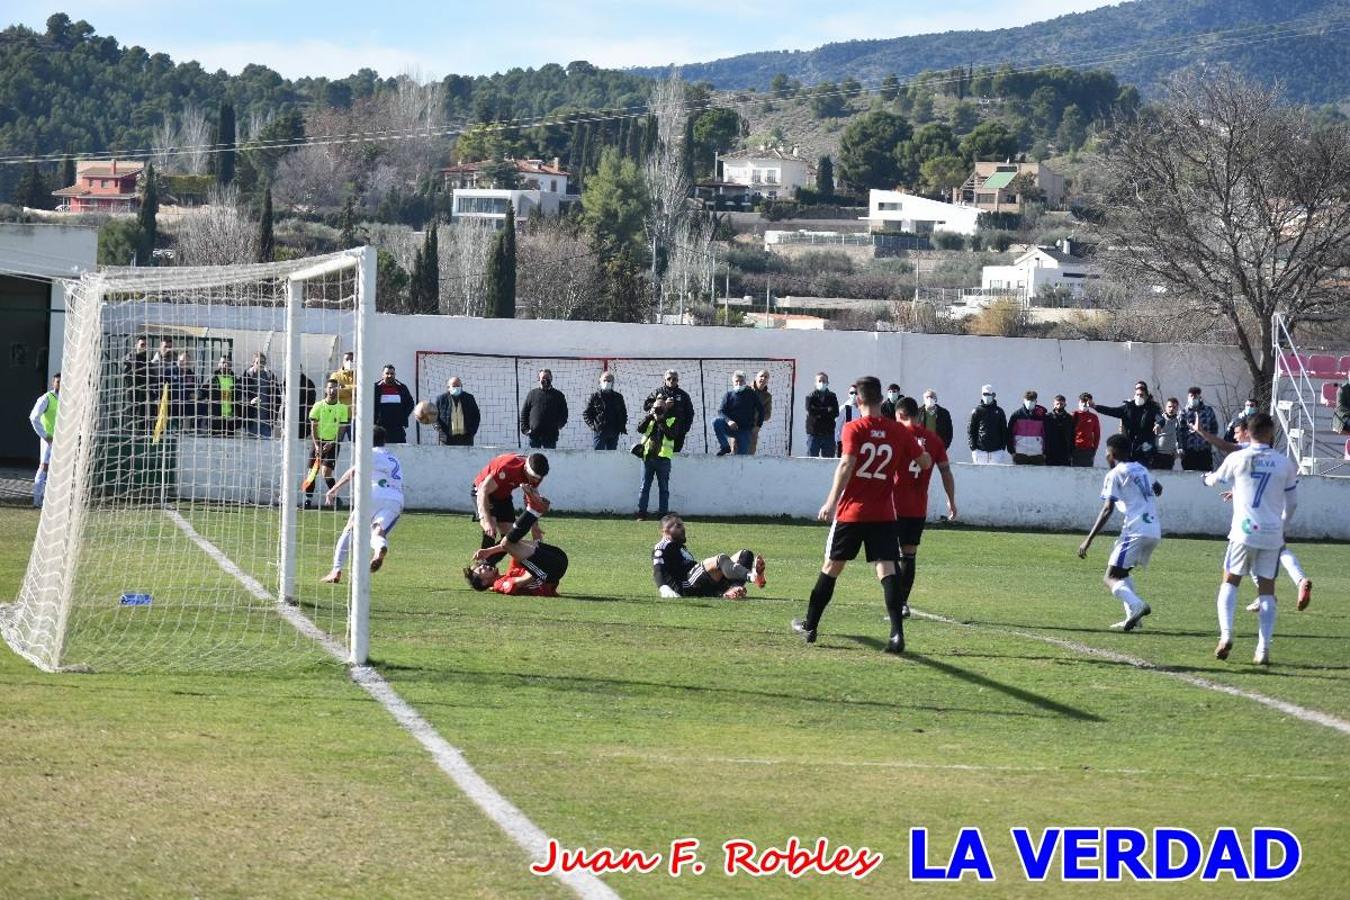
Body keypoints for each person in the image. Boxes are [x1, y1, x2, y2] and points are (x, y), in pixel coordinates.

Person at [792, 376, 931, 654]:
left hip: (852, 512)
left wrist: (830, 501)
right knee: (887, 570)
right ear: (881, 401)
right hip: (883, 514)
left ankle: (810, 625)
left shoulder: (852, 427)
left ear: (858, 401)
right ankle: (896, 635)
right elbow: (924, 461)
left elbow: (846, 464)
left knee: (831, 567)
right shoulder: (899, 431)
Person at [1189, 415, 1313, 612]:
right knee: (1273, 551)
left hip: (1259, 516)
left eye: (1238, 433)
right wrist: (1237, 491)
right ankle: (1287, 585)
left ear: (1248, 433)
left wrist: (1201, 432)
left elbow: (1224, 446)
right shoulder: (1275, 458)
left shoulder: (1247, 451)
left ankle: (1290, 585)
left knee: (1254, 553)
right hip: (1275, 504)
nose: (1236, 437)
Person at [1203, 413, 1299, 665]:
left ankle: (1226, 635)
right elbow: (1293, 503)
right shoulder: (1284, 463)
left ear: (1248, 432)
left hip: (1243, 532)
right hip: (1271, 534)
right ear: (1270, 433)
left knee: (1230, 581)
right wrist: (1282, 526)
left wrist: (1206, 479)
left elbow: (1214, 479)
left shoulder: (1237, 458)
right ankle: (1263, 648)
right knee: (1267, 590)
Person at [1076, 434, 1162, 631]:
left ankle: (1137, 604)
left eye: (1106, 452)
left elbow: (1107, 509)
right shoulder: (1141, 469)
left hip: (1135, 530)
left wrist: (1088, 540)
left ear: (1112, 453)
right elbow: (1158, 488)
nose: (1105, 455)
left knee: (1110, 577)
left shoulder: (1115, 474)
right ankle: (1134, 618)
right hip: (1154, 528)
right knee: (1122, 573)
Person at [892, 396, 957, 619]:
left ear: (899, 415)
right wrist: (951, 500)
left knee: (887, 558)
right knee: (908, 556)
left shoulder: (897, 436)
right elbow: (946, 472)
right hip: (917, 507)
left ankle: (894, 603)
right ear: (918, 415)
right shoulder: (934, 439)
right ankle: (902, 604)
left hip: (892, 505)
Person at [320, 425, 403, 584]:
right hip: (396, 498)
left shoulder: (369, 453)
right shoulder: (393, 457)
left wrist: (334, 489)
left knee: (349, 530)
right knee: (378, 532)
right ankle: (379, 549)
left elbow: (354, 471)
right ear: (383, 440)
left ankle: (336, 570)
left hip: (373, 494)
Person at [464, 496, 568, 596]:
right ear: (484, 582)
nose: (483, 566)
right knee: (507, 544)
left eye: (481, 566)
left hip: (558, 557)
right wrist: (541, 568)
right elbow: (523, 581)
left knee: (511, 544)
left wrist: (534, 526)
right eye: (480, 570)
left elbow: (526, 551)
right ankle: (533, 510)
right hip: (551, 571)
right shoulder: (499, 585)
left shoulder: (511, 570)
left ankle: (533, 511)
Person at [652, 515, 766, 600]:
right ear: (665, 531)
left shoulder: (679, 548)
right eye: (678, 526)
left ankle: (732, 590)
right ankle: (752, 576)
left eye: (682, 525)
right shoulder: (662, 546)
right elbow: (658, 569)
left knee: (745, 554)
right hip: (686, 585)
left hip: (699, 584)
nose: (683, 528)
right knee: (719, 559)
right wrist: (663, 587)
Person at [471, 451, 549, 564]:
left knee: (511, 538)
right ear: (526, 468)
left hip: (503, 496)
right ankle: (482, 568)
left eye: (539, 478)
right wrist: (487, 520)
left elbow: (530, 498)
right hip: (483, 492)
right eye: (533, 477)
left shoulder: (536, 474)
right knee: (490, 530)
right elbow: (484, 490)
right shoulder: (508, 466)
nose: (536, 481)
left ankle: (488, 565)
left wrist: (534, 525)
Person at [302, 379, 350, 509]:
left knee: (326, 472)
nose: (332, 390)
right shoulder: (318, 406)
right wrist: (317, 445)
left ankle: (334, 498)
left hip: (333, 444)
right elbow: (313, 427)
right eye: (330, 387)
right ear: (325, 389)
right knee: (312, 473)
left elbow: (342, 430)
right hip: (318, 442)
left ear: (338, 390)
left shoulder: (343, 408)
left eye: (335, 388)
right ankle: (307, 500)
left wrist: (333, 443)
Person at [1092, 380, 1161, 465]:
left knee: (1142, 469)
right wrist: (1095, 407)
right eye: (1137, 395)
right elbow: (1112, 411)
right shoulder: (1128, 407)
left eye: (1141, 395)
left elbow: (1160, 418)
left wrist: (1158, 424)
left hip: (1145, 446)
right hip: (1129, 446)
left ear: (1146, 396)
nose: (1139, 397)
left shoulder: (1152, 408)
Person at [635, 395, 677, 519]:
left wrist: (660, 420)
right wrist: (650, 416)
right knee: (644, 487)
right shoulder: (649, 419)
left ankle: (663, 514)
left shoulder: (672, 419)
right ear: (652, 407)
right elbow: (640, 429)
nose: (659, 409)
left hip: (663, 459)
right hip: (647, 457)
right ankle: (641, 513)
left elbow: (671, 435)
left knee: (663, 488)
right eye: (656, 407)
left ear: (666, 409)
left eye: (661, 407)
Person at [713, 370, 763, 456]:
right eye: (736, 381)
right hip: (731, 428)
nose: (739, 383)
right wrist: (729, 421)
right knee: (716, 422)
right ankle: (725, 447)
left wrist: (758, 426)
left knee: (742, 457)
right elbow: (721, 411)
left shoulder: (751, 394)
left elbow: (761, 410)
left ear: (745, 382)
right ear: (733, 382)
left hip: (745, 431)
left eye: (741, 381)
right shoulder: (728, 395)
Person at [643, 370, 695, 452]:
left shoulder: (684, 395)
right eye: (669, 378)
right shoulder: (657, 392)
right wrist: (659, 403)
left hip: (677, 432)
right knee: (655, 453)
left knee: (674, 455)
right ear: (664, 380)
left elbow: (690, 413)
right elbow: (646, 406)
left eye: (674, 379)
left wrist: (685, 429)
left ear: (677, 381)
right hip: (659, 429)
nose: (671, 381)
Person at [28, 373, 59, 508]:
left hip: (63, 441)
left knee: (59, 470)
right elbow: (34, 417)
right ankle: (37, 500)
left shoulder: (68, 400)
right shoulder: (46, 398)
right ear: (53, 383)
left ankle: (52, 501)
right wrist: (45, 435)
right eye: (58, 382)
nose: (60, 385)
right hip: (49, 440)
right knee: (44, 467)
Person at [520, 368, 568, 449]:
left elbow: (564, 414)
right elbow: (524, 413)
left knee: (549, 459)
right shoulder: (532, 394)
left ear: (551, 378)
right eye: (543, 378)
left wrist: (558, 426)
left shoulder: (558, 395)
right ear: (539, 379)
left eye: (547, 378)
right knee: (534, 460)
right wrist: (526, 429)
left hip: (550, 436)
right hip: (534, 436)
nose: (545, 380)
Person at [583, 370, 628, 450]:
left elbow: (624, 413)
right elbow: (586, 414)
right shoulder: (595, 397)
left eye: (609, 381)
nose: (607, 382)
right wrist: (593, 426)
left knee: (611, 457)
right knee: (598, 456)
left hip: (614, 432)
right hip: (600, 432)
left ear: (613, 382)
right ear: (600, 381)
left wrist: (621, 426)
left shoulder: (618, 397)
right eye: (605, 380)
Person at [240, 352, 282, 438]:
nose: (261, 365)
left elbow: (278, 398)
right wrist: (250, 401)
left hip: (266, 422)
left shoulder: (270, 377)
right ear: (253, 363)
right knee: (250, 447)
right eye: (258, 362)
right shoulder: (246, 377)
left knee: (266, 448)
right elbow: (240, 395)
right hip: (251, 421)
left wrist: (273, 417)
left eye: (263, 362)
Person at [372, 364, 415, 443]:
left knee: (400, 451)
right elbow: (370, 405)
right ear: (382, 374)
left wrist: (403, 417)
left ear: (395, 375)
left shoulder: (402, 387)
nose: (389, 376)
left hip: (397, 428)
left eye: (392, 374)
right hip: (380, 427)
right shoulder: (375, 387)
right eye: (387, 373)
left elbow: (410, 403)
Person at [1179, 387, 1219, 471]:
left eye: (1195, 396)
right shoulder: (1183, 412)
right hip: (1189, 451)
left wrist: (1212, 441)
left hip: (1204, 450)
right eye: (1191, 396)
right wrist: (1180, 447)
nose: (1193, 398)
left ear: (1199, 397)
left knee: (1205, 475)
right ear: (1188, 397)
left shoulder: (1208, 411)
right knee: (1189, 477)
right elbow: (1180, 432)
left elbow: (1214, 428)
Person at [968, 385, 1009, 464]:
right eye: (985, 394)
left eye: (988, 394)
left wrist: (1002, 448)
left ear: (993, 395)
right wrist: (973, 448)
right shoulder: (976, 411)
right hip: (980, 451)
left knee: (996, 475)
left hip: (997, 452)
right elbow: (970, 430)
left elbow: (1004, 430)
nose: (987, 396)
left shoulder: (999, 411)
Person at [435, 376, 480, 446]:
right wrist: (440, 431)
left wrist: (472, 431)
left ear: (461, 386)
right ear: (448, 387)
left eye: (458, 386)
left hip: (466, 439)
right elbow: (434, 417)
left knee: (466, 457)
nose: (456, 388)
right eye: (454, 386)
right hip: (447, 439)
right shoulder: (441, 399)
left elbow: (476, 415)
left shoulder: (469, 398)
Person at [201, 355, 240, 436]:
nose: (225, 365)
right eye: (223, 363)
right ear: (219, 365)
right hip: (215, 420)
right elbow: (202, 392)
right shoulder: (212, 379)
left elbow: (239, 398)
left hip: (230, 421)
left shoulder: (235, 380)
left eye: (228, 363)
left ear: (231, 365)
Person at [804, 372, 839, 458]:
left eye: (824, 381)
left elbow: (835, 413)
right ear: (815, 383)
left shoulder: (832, 396)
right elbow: (811, 412)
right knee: (811, 460)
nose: (822, 383)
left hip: (828, 434)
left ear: (827, 383)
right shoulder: (810, 397)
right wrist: (827, 410)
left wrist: (818, 411)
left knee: (828, 460)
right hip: (814, 434)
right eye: (819, 381)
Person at [1007, 389, 1047, 465]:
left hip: (1037, 454)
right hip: (1020, 454)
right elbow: (1009, 434)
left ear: (1036, 401)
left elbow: (1046, 434)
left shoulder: (1042, 416)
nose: (1030, 402)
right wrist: (1012, 451)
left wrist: (1045, 452)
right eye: (1028, 400)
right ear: (1024, 400)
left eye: (1032, 400)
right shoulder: (1016, 415)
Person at [122, 336, 152, 431]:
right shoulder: (130, 357)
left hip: (143, 390)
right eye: (142, 344)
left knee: (142, 412)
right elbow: (124, 368)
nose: (144, 347)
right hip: (132, 388)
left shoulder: (148, 361)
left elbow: (151, 375)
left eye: (146, 345)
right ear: (136, 346)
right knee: (131, 410)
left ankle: (141, 432)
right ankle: (129, 432)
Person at [166, 351, 200, 433]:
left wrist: (196, 395)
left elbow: (198, 389)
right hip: (171, 404)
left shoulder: (192, 375)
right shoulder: (169, 371)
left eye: (187, 362)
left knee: (200, 406)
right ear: (178, 360)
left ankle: (190, 429)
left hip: (186, 405)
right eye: (182, 360)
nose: (185, 363)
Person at [1150, 397, 1184, 471]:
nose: (1171, 409)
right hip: (1157, 455)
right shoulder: (1159, 420)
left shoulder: (1178, 422)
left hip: (1169, 456)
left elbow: (1180, 438)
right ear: (1166, 407)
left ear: (1177, 409)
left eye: (1174, 407)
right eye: (1169, 407)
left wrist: (1179, 451)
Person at [1043, 395, 1074, 466]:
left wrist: (1071, 453)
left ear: (1065, 404)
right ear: (1054, 404)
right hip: (1050, 453)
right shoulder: (1047, 417)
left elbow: (1073, 435)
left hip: (1065, 453)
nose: (1059, 406)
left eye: (1061, 404)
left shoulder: (1069, 418)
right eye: (1057, 404)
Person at [1071, 392, 1100, 467]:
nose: (1084, 404)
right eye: (1082, 401)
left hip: (1088, 450)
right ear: (1079, 402)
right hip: (1075, 449)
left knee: (1087, 472)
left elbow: (1097, 434)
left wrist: (1094, 449)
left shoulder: (1093, 417)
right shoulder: (1073, 415)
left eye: (1086, 402)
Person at [748, 369, 772, 454]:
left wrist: (756, 415)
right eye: (761, 376)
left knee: (750, 455)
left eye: (766, 377)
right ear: (756, 378)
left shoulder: (767, 396)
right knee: (735, 454)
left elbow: (768, 415)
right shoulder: (745, 390)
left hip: (754, 429)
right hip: (739, 427)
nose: (763, 378)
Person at [834, 384, 858, 457]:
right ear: (848, 394)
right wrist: (834, 443)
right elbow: (836, 427)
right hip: (844, 444)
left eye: (856, 393)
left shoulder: (862, 409)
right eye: (851, 393)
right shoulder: (844, 408)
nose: (854, 395)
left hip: (857, 444)